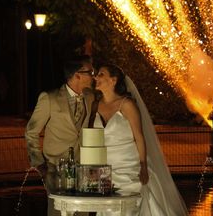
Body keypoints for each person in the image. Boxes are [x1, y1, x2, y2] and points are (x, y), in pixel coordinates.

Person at [92, 63, 188, 216]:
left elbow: (139, 137)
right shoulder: (95, 106)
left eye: (101, 74)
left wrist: (143, 165)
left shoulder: (127, 105)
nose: (96, 77)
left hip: (128, 167)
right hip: (104, 169)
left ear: (113, 80)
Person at [25, 54, 95, 214]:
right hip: (55, 168)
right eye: (90, 72)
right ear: (77, 74)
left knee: (82, 212)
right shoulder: (49, 98)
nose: (93, 76)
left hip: (83, 168)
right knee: (58, 212)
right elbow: (31, 132)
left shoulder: (90, 97)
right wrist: (39, 164)